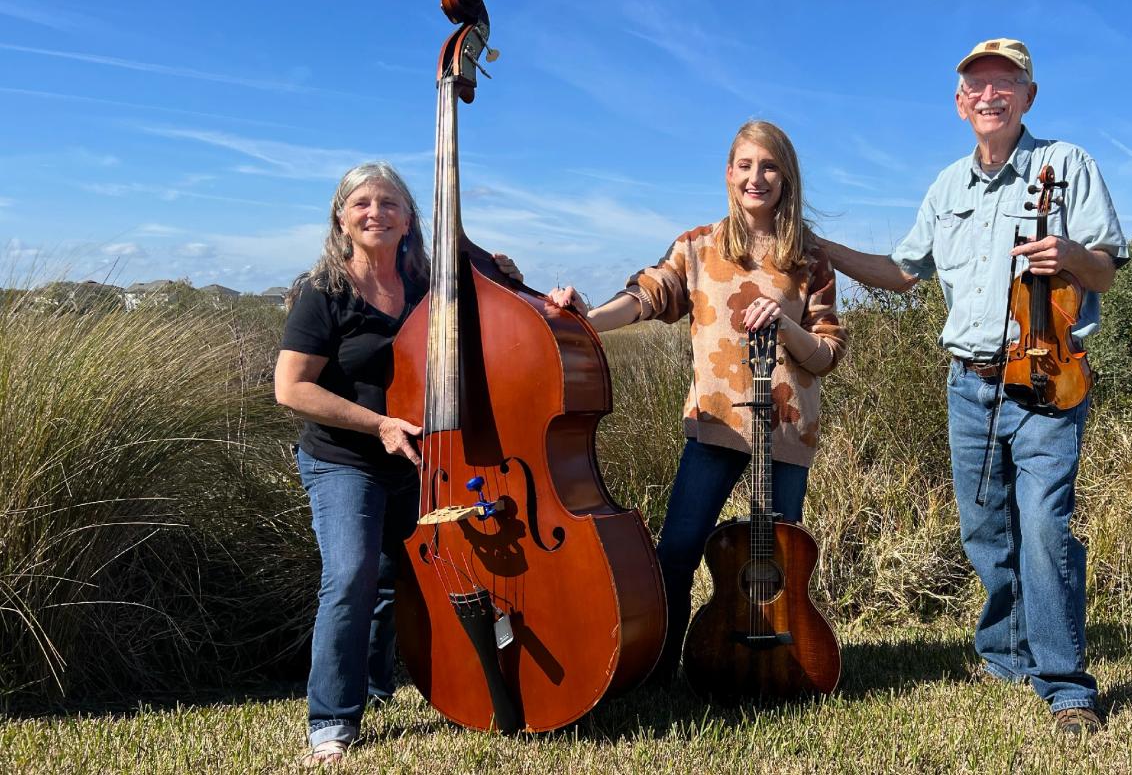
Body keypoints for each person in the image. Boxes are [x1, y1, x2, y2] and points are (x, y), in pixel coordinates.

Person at [817, 39, 1127, 734]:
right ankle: (1006, 654)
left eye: (1004, 83)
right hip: (970, 386)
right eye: (976, 86)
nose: (990, 95)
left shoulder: (1067, 165)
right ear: (960, 105)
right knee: (985, 531)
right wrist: (824, 249)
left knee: (1045, 529)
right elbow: (902, 273)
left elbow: (1105, 269)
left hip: (1048, 379)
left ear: (1028, 96)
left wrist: (1072, 255)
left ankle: (1066, 685)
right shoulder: (947, 185)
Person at [547, 120, 847, 682]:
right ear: (729, 173)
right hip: (715, 425)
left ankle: (771, 664)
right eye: (745, 165)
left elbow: (827, 353)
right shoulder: (698, 246)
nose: (756, 177)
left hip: (785, 432)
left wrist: (785, 324)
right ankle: (659, 669)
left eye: (769, 166)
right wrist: (584, 319)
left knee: (774, 563)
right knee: (678, 552)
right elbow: (645, 296)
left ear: (787, 176)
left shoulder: (809, 259)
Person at [274, 161, 519, 766]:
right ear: (341, 218)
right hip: (342, 458)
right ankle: (332, 718)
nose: (374, 213)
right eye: (361, 203)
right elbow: (290, 388)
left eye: (388, 203)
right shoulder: (323, 292)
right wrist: (378, 424)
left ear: (410, 219)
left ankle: (380, 688)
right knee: (353, 574)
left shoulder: (427, 286)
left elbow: (500, 322)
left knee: (397, 575)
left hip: (418, 459)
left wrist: (519, 284)